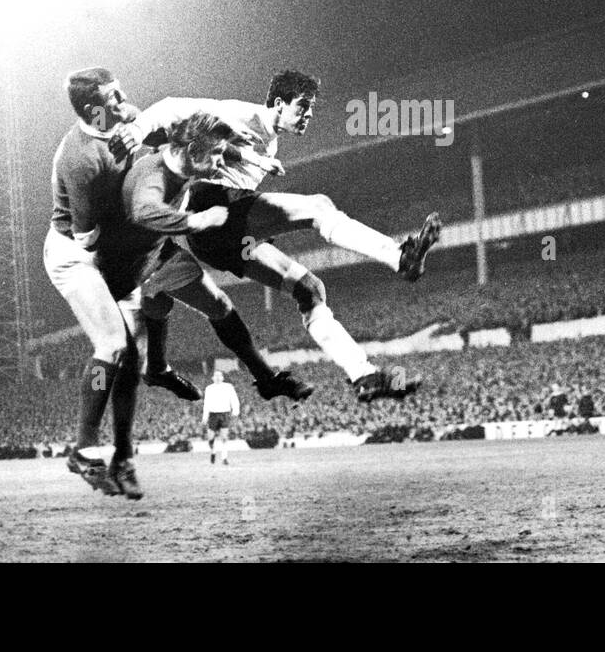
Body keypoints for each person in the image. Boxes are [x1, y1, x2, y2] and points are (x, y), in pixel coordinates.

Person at [114, 70, 441, 402]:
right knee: (318, 207)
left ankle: (363, 375)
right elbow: (173, 107)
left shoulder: (270, 141)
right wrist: (137, 130)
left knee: (310, 290)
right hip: (214, 211)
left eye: (311, 109)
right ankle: (400, 257)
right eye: (302, 106)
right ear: (279, 103)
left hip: (227, 239)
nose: (308, 115)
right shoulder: (244, 115)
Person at [47, 67, 228, 498]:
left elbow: (173, 153)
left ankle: (124, 456)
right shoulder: (80, 158)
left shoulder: (129, 121)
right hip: (80, 255)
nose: (123, 98)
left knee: (133, 358)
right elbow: (85, 235)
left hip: (124, 254)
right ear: (94, 108)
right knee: (111, 344)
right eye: (113, 96)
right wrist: (147, 223)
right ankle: (84, 450)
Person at [121, 146, 314, 402]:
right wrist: (199, 221)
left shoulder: (180, 169)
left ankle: (156, 369)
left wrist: (255, 159)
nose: (218, 166)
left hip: (142, 251)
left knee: (158, 302)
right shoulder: (155, 179)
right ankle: (266, 379)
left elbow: (219, 150)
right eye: (213, 160)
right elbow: (145, 215)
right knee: (218, 306)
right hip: (138, 254)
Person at [202, 370, 241, 465]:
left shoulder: (228, 387)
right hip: (213, 414)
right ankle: (213, 452)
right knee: (210, 438)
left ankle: (224, 457)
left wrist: (236, 410)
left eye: (220, 375)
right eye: (216, 376)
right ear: (213, 378)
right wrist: (205, 416)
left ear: (223, 377)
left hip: (225, 413)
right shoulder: (209, 388)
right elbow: (206, 403)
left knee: (224, 437)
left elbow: (234, 399)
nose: (218, 377)